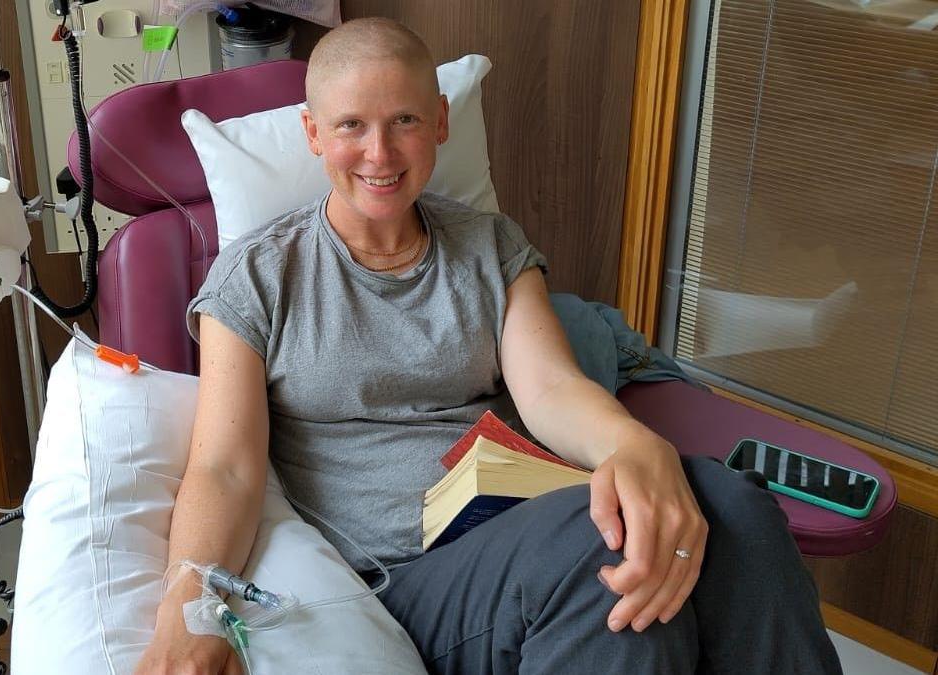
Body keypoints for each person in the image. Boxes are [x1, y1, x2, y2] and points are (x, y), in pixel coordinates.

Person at [135, 17, 842, 675]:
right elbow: (225, 467)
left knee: (734, 506)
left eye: (404, 120)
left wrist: (633, 446)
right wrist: (187, 609)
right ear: (314, 134)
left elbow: (553, 389)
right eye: (352, 126)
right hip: (407, 576)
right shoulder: (257, 276)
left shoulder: (490, 246)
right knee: (604, 552)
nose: (379, 153)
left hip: (527, 518)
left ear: (440, 121)